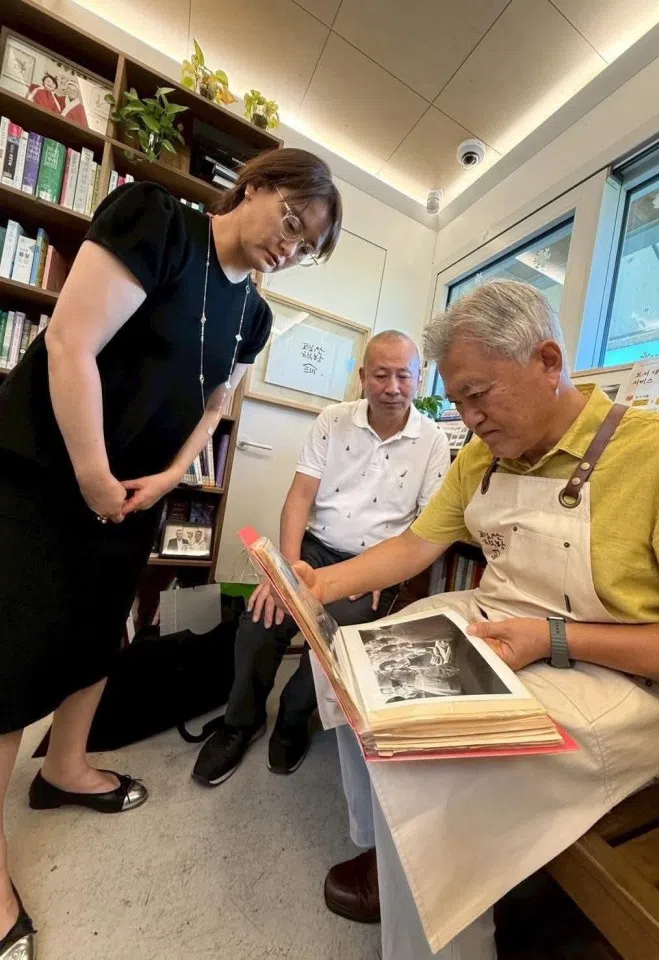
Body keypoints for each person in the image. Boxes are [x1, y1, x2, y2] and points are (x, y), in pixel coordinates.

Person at [291, 279, 659, 959]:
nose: (468, 417)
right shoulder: (484, 457)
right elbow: (413, 547)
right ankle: (389, 853)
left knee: (430, 756)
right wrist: (314, 585)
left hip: (632, 681)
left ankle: (440, 929)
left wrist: (554, 637)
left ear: (548, 361)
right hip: (503, 628)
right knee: (346, 656)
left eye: (477, 395)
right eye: (457, 400)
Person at [0, 147, 342, 958]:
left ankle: (66, 769)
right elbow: (70, 345)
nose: (288, 248)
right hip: (50, 471)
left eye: (305, 248)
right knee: (11, 659)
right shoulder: (156, 221)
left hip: (129, 492)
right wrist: (91, 472)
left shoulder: (253, 314)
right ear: (254, 185)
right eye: (290, 222)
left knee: (98, 635)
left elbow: (220, 399)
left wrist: (172, 474)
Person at [192, 330, 450, 785]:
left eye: (403, 376)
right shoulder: (333, 420)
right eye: (381, 375)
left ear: (420, 377)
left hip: (375, 564)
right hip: (313, 549)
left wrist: (387, 566)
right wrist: (284, 571)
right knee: (260, 619)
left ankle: (293, 722)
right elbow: (299, 498)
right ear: (362, 376)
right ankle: (242, 723)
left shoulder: (432, 441)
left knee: (335, 641)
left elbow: (426, 525)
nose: (392, 387)